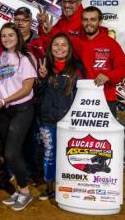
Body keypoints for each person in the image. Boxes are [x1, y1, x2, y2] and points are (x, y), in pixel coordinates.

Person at [0, 22, 37, 211]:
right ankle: (19, 189)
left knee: (11, 152)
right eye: (3, 36)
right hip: (5, 110)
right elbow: (4, 83)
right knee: (10, 154)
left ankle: (25, 191)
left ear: (18, 36)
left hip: (22, 109)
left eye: (10, 35)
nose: (7, 39)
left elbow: (27, 88)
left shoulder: (25, 58)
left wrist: (4, 100)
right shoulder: (1, 57)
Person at [35, 33, 85, 200]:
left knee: (69, 155)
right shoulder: (44, 67)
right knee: (49, 154)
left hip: (69, 123)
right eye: (56, 44)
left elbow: (81, 96)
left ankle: (67, 187)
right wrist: (41, 79)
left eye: (64, 45)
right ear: (50, 48)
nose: (59, 48)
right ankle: (49, 187)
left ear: (69, 49)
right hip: (47, 122)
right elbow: (36, 94)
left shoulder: (77, 69)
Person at [73, 6, 125, 116]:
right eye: (85, 19)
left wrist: (109, 76)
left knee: (106, 133)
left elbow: (123, 67)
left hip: (105, 97)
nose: (89, 23)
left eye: (93, 19)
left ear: (100, 21)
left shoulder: (110, 43)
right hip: (81, 97)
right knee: (84, 132)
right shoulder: (76, 42)